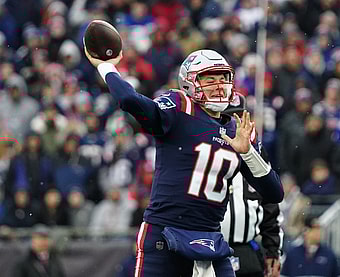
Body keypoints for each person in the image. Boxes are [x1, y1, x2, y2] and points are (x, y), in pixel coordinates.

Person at [84, 45, 284, 277]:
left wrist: (248, 152)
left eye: (223, 78)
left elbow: (274, 193)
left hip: (210, 240)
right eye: (210, 79)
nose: (219, 85)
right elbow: (130, 100)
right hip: (165, 234)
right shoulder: (180, 106)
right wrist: (106, 66)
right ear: (190, 83)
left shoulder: (238, 129)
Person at [220, 95, 282, 277]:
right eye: (227, 118)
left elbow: (271, 206)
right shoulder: (204, 153)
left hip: (246, 250)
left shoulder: (257, 156)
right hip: (210, 249)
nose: (234, 124)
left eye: (239, 117)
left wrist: (273, 250)